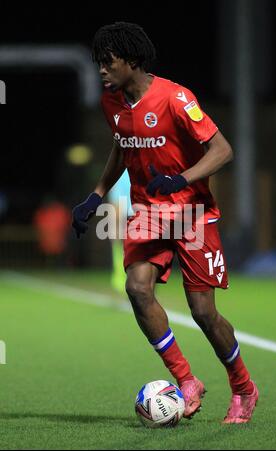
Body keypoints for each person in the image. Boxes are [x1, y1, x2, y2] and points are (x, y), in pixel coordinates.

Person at [72, 22, 258, 423]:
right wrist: (95, 195)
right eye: (97, 63)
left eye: (108, 62)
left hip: (192, 213)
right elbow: (122, 148)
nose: (101, 71)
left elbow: (223, 150)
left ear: (132, 60)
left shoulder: (175, 98)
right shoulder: (112, 103)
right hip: (149, 213)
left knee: (203, 312)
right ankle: (186, 380)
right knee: (137, 289)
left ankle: (243, 387)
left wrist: (182, 178)